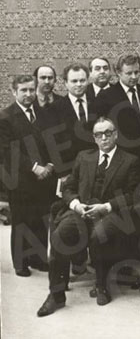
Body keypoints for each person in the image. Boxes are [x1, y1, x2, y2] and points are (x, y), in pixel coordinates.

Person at [36, 118, 140, 316]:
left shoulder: (130, 160)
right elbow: (69, 187)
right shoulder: (84, 157)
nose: (104, 138)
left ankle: (101, 285)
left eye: (108, 133)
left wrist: (106, 207)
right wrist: (76, 204)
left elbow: (133, 195)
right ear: (94, 138)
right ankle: (56, 295)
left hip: (110, 214)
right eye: (99, 135)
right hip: (81, 211)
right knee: (59, 236)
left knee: (98, 236)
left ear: (116, 134)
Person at [0, 75, 58, 276]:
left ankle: (39, 259)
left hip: (45, 177)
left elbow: (51, 140)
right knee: (21, 221)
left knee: (41, 219)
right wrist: (34, 167)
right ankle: (21, 263)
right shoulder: (5, 117)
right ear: (14, 92)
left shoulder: (42, 113)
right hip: (20, 179)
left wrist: (50, 165)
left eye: (31, 90)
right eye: (23, 90)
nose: (28, 94)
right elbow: (8, 150)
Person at [93, 54, 140, 161]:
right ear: (118, 72)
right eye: (129, 73)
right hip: (122, 157)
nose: (134, 77)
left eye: (136, 72)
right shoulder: (106, 96)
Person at [50, 63, 97, 178]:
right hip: (70, 170)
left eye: (82, 80)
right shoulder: (54, 108)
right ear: (66, 83)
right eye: (74, 81)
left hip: (97, 167)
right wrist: (63, 173)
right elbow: (53, 143)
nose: (79, 84)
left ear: (88, 81)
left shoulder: (98, 103)